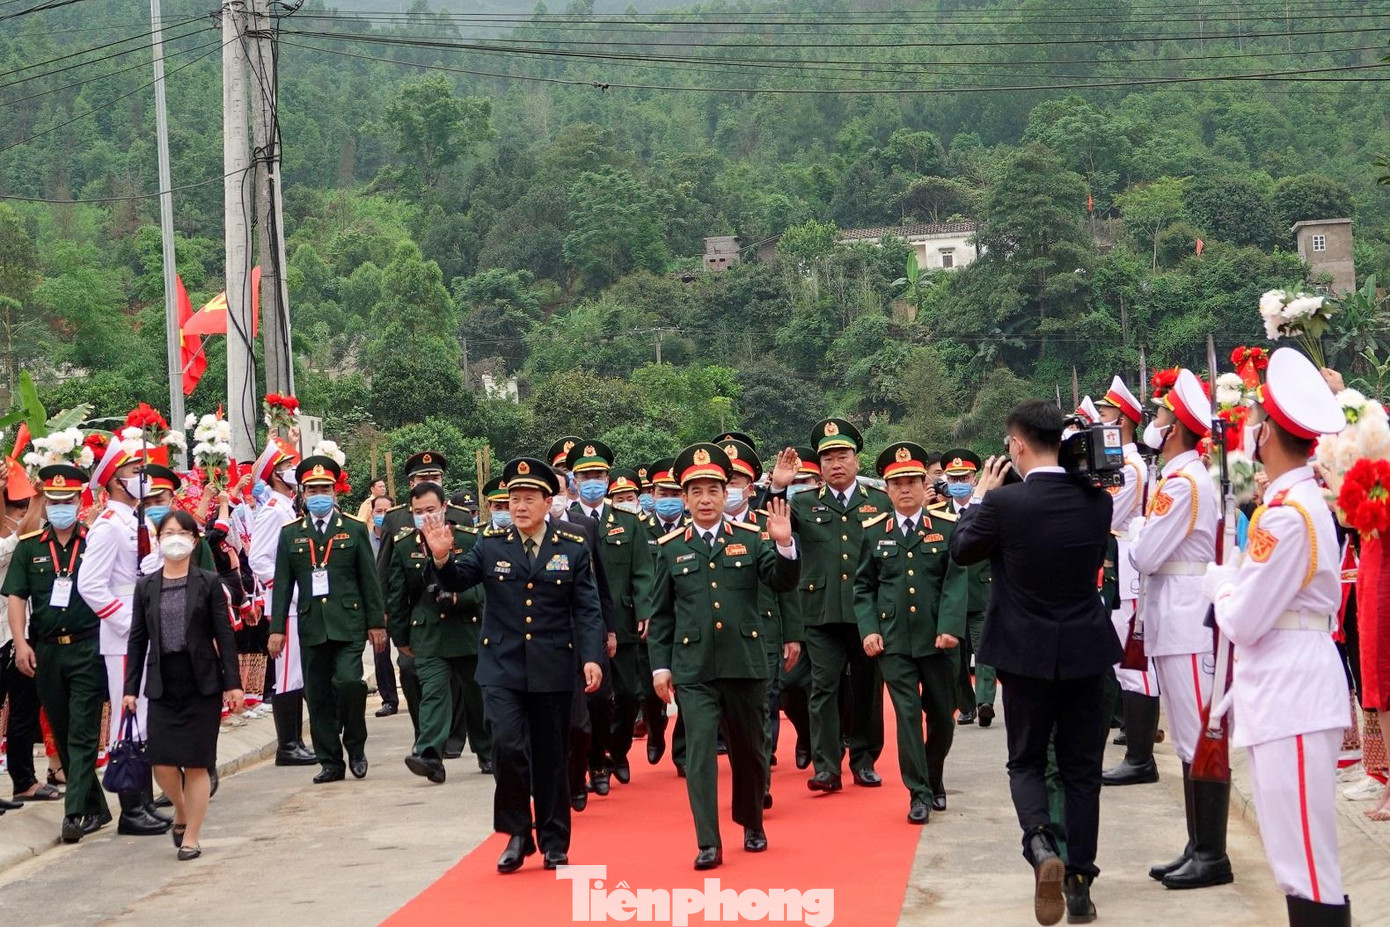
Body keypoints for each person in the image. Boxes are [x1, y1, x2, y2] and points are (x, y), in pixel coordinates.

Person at [949, 400, 1118, 926]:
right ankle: (1080, 885)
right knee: (1082, 770)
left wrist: (980, 496)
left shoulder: (1004, 505)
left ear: (1017, 445)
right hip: (1086, 649)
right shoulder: (1098, 502)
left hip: (1024, 655)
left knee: (1025, 761)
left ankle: (1042, 844)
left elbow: (961, 549)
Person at [1206, 348, 1352, 926]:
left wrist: (1222, 586)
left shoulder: (1288, 513)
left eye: (1252, 421)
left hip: (1293, 690)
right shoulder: (1290, 503)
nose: (1247, 431)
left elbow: (1244, 620)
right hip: (1287, 687)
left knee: (1307, 864)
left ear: (1265, 433)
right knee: (1295, 860)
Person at [424, 456, 605, 874]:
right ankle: (517, 833)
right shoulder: (491, 544)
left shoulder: (572, 545)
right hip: (501, 666)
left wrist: (591, 657)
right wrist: (441, 558)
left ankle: (554, 840)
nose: (519, 507)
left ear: (548, 502)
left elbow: (588, 607)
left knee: (551, 754)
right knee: (507, 746)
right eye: (513, 499)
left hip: (553, 664)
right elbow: (458, 580)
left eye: (528, 499)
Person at [648, 443, 799, 870]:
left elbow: (782, 582)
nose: (705, 499)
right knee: (699, 752)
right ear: (684, 499)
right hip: (693, 668)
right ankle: (707, 842)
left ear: (725, 493)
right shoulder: (670, 547)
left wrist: (785, 546)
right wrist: (660, 667)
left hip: (744, 662)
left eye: (713, 490)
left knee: (750, 750)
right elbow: (661, 614)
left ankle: (751, 822)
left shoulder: (751, 539)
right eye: (696, 492)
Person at [1129, 369, 1233, 891]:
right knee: (1189, 739)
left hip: (1187, 619)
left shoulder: (1183, 482)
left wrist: (1137, 530)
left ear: (1173, 430)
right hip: (1174, 616)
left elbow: (1145, 554)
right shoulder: (1182, 477)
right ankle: (1198, 845)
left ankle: (1212, 853)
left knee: (1197, 736)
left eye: (1161, 414)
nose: (1154, 421)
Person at [767, 419, 890, 793]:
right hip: (819, 612)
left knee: (867, 687)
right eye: (828, 459)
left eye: (843, 456)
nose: (836, 464)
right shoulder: (803, 503)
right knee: (823, 687)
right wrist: (777, 487)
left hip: (866, 613)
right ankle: (827, 766)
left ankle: (864, 760)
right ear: (819, 465)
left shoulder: (879, 502)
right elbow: (767, 522)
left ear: (856, 460)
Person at [858, 442, 968, 825]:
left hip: (938, 641)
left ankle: (933, 777)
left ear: (925, 485)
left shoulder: (947, 527)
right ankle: (918, 793)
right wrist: (869, 630)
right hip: (894, 642)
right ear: (887, 490)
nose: (905, 489)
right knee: (906, 718)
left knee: (943, 719)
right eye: (896, 483)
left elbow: (956, 581)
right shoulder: (874, 532)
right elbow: (863, 587)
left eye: (911, 482)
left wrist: (950, 627)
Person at [124, 509, 244, 860]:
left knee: (195, 763)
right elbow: (137, 638)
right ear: (158, 539)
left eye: (182, 533)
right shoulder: (146, 586)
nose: (174, 539)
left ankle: (192, 836)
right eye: (167, 533)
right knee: (161, 762)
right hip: (163, 682)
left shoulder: (208, 582)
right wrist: (130, 688)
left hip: (202, 682)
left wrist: (233, 683)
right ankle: (180, 809)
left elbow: (224, 634)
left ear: (194, 540)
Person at [3, 465, 112, 842]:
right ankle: (98, 807)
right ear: (45, 503)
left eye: (67, 501)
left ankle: (74, 813)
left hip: (88, 647)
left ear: (79, 501)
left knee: (82, 732)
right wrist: (21, 644)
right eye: (53, 501)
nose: (60, 508)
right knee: (63, 733)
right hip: (46, 651)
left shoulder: (94, 541)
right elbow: (16, 598)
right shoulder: (29, 546)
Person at [76, 431, 172, 836]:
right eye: (134, 471)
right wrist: (128, 624)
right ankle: (131, 809)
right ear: (115, 480)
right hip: (124, 636)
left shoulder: (134, 520)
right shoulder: (108, 526)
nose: (142, 478)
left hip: (143, 628)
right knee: (129, 714)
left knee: (144, 715)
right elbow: (89, 584)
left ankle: (144, 801)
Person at [269, 456, 387, 784]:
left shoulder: (353, 528)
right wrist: (277, 629)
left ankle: (356, 746)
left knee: (349, 684)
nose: (318, 495)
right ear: (303, 494)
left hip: (348, 622)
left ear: (334, 492)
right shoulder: (290, 534)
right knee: (318, 696)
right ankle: (331, 761)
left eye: (324, 489)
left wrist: (376, 623)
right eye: (312, 490)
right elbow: (282, 585)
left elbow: (369, 580)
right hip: (311, 625)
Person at [385, 482, 490, 782]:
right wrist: (401, 638)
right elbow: (398, 594)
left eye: (431, 509)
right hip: (428, 632)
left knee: (477, 695)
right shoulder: (405, 544)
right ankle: (430, 754)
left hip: (467, 629)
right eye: (418, 512)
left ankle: (488, 751)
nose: (425, 516)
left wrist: (458, 597)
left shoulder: (468, 538)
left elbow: (483, 586)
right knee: (433, 693)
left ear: (444, 508)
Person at [567, 440, 656, 791]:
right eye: (585, 475)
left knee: (630, 694)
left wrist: (644, 608)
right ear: (574, 480)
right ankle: (595, 760)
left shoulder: (628, 521)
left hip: (623, 617)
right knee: (593, 699)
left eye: (598, 475)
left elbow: (642, 570)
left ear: (607, 479)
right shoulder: (565, 522)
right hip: (582, 624)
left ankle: (617, 752)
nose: (592, 481)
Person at [718, 438, 802, 806]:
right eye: (725, 482)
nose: (729, 489)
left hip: (764, 629)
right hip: (720, 637)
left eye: (736, 482)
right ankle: (748, 771)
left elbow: (786, 585)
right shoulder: (703, 528)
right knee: (731, 716)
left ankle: (760, 782)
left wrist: (792, 634)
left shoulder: (766, 526)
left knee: (763, 706)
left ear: (750, 488)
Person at [1094, 376, 1161, 787]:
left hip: (1131, 571)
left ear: (1121, 421)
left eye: (1104, 415)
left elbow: (1106, 515)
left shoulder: (1130, 469)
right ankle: (1137, 755)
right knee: (1123, 666)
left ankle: (1140, 758)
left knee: (1135, 666)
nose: (1098, 422)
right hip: (1119, 568)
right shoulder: (1118, 466)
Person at [247, 437, 315, 767]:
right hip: (285, 606)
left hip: (296, 602)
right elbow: (258, 559)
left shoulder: (286, 506)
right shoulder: (273, 511)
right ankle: (287, 745)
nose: (293, 471)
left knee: (297, 674)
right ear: (275, 475)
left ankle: (295, 740)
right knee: (288, 674)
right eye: (288, 466)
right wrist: (288, 588)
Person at [0, 462, 53, 806]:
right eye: (16, 508)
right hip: (3, 633)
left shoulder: (18, 531)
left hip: (19, 632)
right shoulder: (12, 540)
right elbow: (20, 540)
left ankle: (24, 781)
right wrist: (36, 501)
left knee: (24, 708)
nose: (21, 515)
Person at [938, 449, 997, 728]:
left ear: (974, 478)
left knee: (985, 650)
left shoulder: (987, 511)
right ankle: (966, 705)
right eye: (953, 478)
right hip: (952, 597)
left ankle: (985, 702)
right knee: (955, 659)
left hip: (982, 592)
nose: (959, 482)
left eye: (964, 477)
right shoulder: (938, 514)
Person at [367, 493, 399, 718]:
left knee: (408, 655)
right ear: (372, 513)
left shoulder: (402, 539)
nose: (383, 515)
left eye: (387, 511)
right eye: (378, 511)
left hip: (399, 603)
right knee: (381, 653)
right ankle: (389, 699)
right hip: (376, 606)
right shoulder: (364, 541)